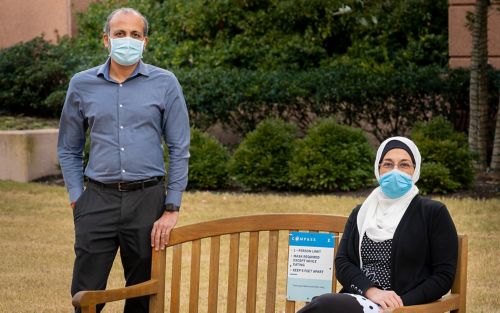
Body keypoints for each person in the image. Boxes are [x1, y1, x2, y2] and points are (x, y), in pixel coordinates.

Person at [57, 7, 190, 313]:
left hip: (148, 201)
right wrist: (78, 198)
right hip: (97, 200)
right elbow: (68, 147)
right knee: (85, 293)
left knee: (143, 292)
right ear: (106, 40)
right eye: (119, 34)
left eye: (135, 34)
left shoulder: (165, 83)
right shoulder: (82, 84)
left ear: (145, 42)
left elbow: (179, 147)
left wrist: (171, 208)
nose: (126, 40)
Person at [298, 136, 458, 313]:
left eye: (404, 165)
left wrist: (398, 304)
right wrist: (371, 291)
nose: (395, 171)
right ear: (378, 169)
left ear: (415, 170)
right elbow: (343, 262)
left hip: (407, 307)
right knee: (326, 305)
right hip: (360, 299)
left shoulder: (432, 213)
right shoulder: (362, 213)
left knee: (324, 305)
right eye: (388, 164)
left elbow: (443, 276)